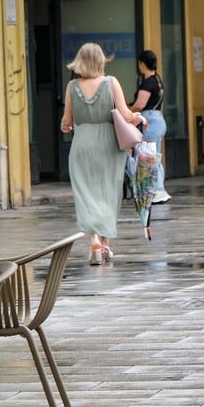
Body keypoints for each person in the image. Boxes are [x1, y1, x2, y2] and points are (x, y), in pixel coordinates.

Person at [60, 42, 143, 266]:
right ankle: (104, 244)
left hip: (82, 144)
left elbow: (67, 123)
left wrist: (68, 124)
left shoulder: (71, 87)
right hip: (109, 143)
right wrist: (135, 118)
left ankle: (94, 239)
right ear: (101, 61)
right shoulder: (111, 82)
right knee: (107, 191)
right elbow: (125, 114)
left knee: (86, 193)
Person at [129, 49, 170, 204]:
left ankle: (157, 190)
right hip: (158, 119)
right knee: (155, 156)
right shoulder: (157, 80)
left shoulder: (148, 82)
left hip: (150, 121)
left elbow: (140, 104)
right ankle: (159, 190)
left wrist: (127, 112)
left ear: (142, 64)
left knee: (150, 157)